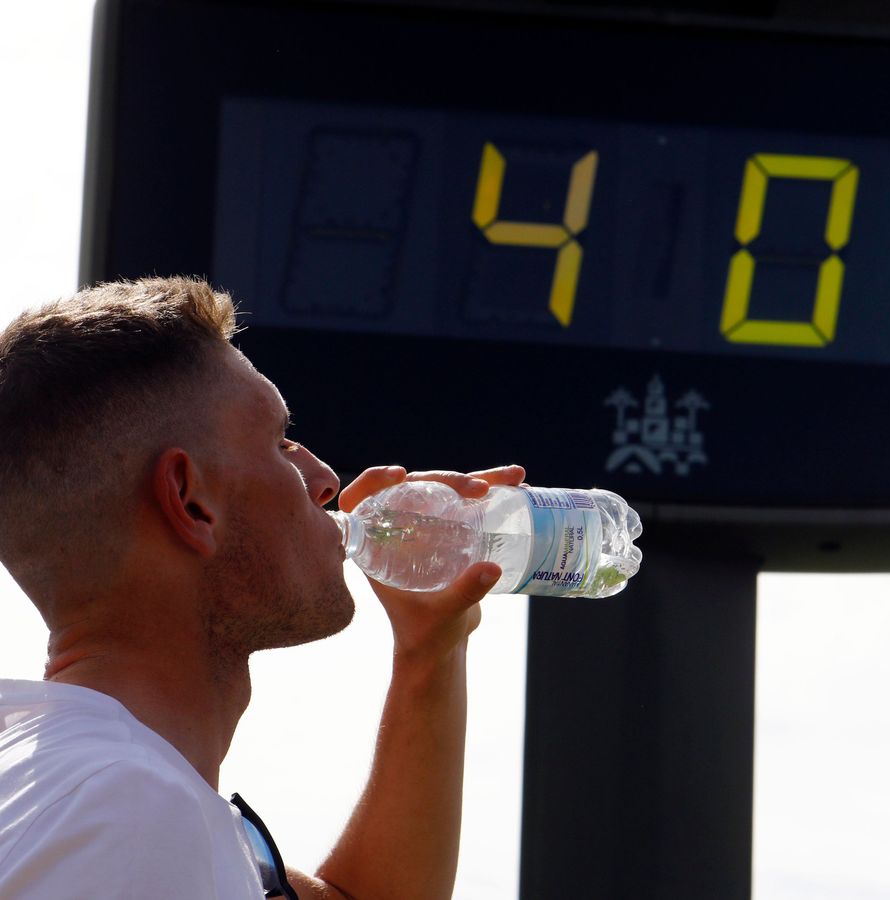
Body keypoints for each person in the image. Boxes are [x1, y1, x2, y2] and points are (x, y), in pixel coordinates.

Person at [0, 275, 523, 899]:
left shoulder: (72, 782)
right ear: (192, 502)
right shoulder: (132, 812)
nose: (327, 480)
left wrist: (431, 651)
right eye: (280, 442)